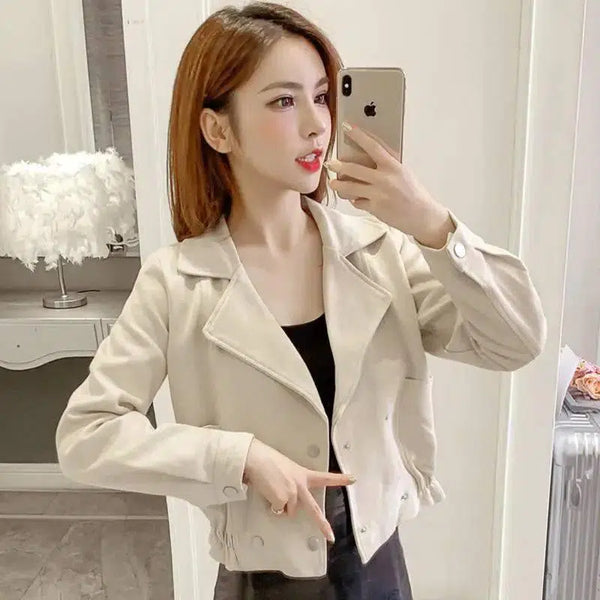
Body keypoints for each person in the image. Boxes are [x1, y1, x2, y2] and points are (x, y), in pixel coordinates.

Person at [55, 2, 547, 599]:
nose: (318, 125)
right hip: (262, 580)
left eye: (321, 96)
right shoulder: (176, 282)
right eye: (284, 101)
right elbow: (86, 436)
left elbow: (516, 341)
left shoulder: (381, 253)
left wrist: (434, 225)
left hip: (378, 566)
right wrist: (239, 458)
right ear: (218, 130)